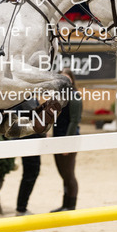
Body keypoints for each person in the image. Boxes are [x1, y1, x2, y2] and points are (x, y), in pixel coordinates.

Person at [50, 68, 82, 212]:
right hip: (57, 139)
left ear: (72, 80)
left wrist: (67, 144)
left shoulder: (74, 97)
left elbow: (74, 121)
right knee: (63, 174)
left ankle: (71, 206)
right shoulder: (57, 97)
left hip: (68, 140)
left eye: (66, 78)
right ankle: (65, 204)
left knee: (69, 175)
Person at [14, 98, 45, 216]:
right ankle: (21, 208)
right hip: (30, 139)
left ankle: (21, 207)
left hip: (27, 137)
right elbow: (35, 114)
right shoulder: (27, 96)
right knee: (31, 172)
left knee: (30, 172)